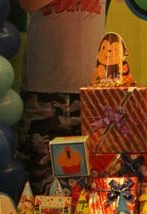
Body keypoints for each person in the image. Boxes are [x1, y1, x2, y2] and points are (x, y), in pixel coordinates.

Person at [17, 0, 107, 194]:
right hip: (44, 96)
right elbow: (29, 4)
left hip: (93, 96)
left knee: (96, 191)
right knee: (42, 190)